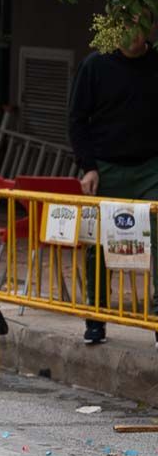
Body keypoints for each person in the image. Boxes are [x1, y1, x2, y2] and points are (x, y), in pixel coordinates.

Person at [68, 25, 158, 345]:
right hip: (106, 167)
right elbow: (77, 119)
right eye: (128, 27)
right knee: (99, 247)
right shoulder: (95, 65)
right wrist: (88, 166)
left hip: (151, 167)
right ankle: (96, 318)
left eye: (141, 27)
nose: (134, 35)